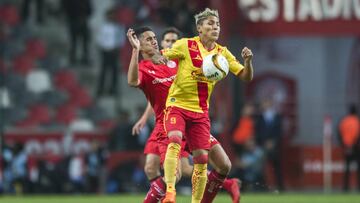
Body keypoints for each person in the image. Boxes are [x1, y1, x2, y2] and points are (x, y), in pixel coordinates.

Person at [153, 8, 254, 203]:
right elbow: (163, 55)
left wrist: (248, 62)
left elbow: (245, 76)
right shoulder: (185, 45)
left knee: (201, 159)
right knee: (174, 139)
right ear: (200, 28)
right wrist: (159, 57)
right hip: (178, 106)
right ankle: (171, 193)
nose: (215, 27)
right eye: (210, 24)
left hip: (200, 113)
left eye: (217, 24)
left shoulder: (222, 53)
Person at [130, 27, 241, 203]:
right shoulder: (144, 68)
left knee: (224, 164)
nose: (156, 41)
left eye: (155, 38)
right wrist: (135, 52)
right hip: (168, 123)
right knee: (166, 173)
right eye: (149, 39)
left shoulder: (177, 61)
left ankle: (226, 185)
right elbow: (135, 83)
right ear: (139, 45)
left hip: (191, 118)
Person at [255, 99, 284, 191]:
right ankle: (263, 187)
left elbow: (279, 131)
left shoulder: (277, 116)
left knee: (277, 167)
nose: (265, 105)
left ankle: (280, 187)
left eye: (267, 102)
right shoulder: (259, 117)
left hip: (275, 146)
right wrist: (264, 142)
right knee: (262, 167)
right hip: (263, 146)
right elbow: (258, 131)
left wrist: (273, 142)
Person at [96, 8, 125, 97]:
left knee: (114, 71)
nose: (111, 17)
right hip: (105, 51)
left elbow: (121, 39)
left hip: (114, 51)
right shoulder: (103, 27)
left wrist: (117, 47)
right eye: (110, 15)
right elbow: (99, 39)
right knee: (104, 71)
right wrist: (104, 47)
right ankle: (101, 89)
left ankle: (113, 89)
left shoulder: (119, 27)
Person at [338, 104, 360, 191]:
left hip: (346, 147)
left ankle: (345, 187)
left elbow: (339, 133)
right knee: (358, 168)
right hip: (356, 148)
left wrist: (343, 145)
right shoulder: (357, 121)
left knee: (347, 168)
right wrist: (355, 144)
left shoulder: (344, 121)